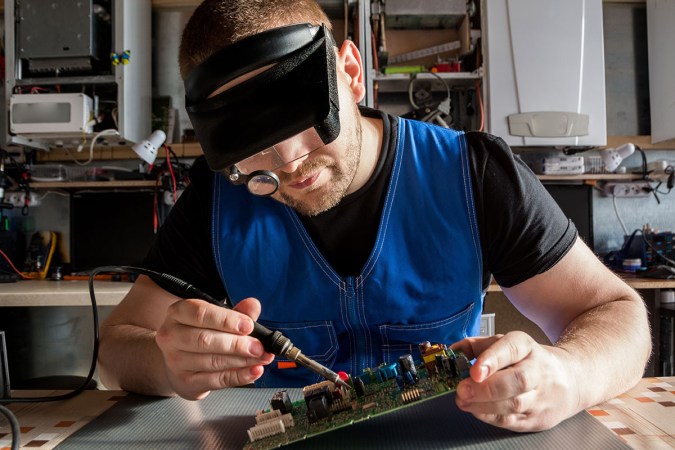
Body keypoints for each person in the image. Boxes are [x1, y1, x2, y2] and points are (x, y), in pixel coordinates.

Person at [98, 0, 651, 433]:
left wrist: (572, 374)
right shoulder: (216, 202)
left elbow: (618, 313)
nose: (291, 168)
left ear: (352, 71)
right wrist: (167, 363)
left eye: (307, 126)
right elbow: (116, 348)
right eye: (257, 152)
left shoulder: (473, 174)